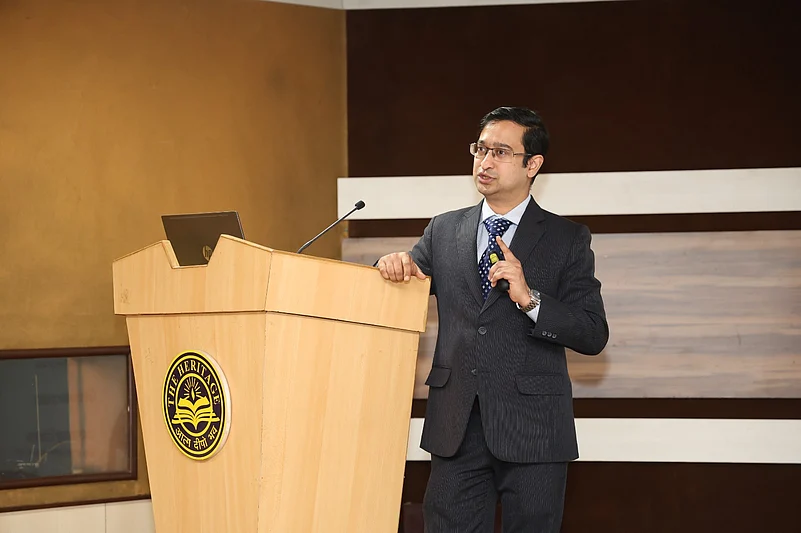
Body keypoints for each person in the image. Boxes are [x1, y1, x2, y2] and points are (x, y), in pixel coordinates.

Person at [377, 106, 609, 532]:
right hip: (456, 424)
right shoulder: (443, 230)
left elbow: (593, 332)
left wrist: (528, 297)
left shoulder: (567, 238)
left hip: (534, 428)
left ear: (533, 164)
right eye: (480, 149)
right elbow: (405, 282)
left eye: (501, 152)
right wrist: (391, 264)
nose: (484, 163)